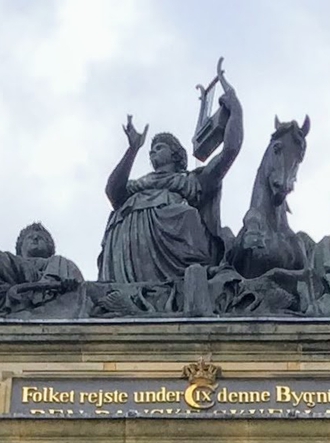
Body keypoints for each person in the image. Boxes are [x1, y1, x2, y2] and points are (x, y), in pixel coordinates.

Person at [98, 70, 243, 297]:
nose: (153, 153)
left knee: (186, 215)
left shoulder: (191, 181)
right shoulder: (138, 184)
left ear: (176, 154)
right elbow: (112, 191)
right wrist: (133, 148)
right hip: (127, 250)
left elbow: (229, 151)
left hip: (173, 249)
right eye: (151, 150)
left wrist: (235, 111)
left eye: (160, 147)